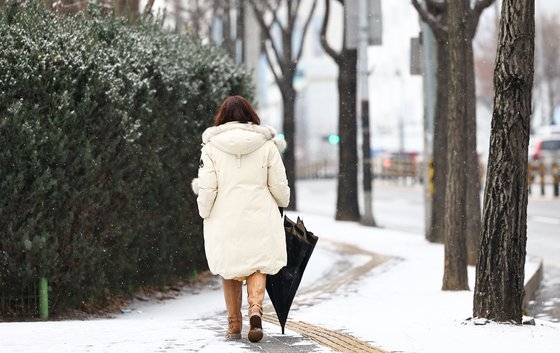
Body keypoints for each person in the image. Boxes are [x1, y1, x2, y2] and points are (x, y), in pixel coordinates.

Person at [191, 95, 290, 342]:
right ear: (251, 116)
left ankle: (234, 324)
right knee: (258, 263)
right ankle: (255, 308)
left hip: (225, 216)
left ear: (221, 117)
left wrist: (204, 210)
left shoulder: (211, 147)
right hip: (259, 214)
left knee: (229, 265)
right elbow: (279, 185)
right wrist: (282, 200)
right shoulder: (267, 145)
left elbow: (207, 186)